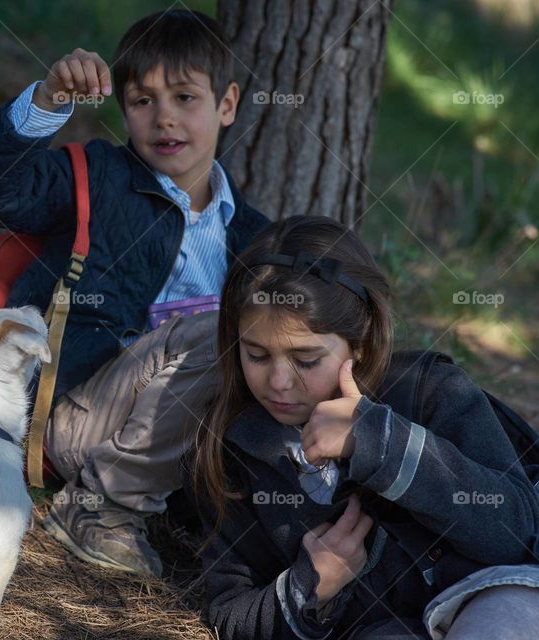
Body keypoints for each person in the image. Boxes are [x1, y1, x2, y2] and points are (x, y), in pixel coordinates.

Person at [0, 9, 269, 577]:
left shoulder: (252, 237)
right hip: (80, 411)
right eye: (143, 100)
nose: (164, 118)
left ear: (227, 103)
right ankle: (99, 510)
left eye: (184, 98)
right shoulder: (99, 178)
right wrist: (49, 100)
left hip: (198, 442)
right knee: (222, 334)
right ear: (122, 107)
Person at [188, 215, 539, 639]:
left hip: (489, 593)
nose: (279, 382)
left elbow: (514, 532)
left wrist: (382, 443)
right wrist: (309, 587)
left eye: (306, 360)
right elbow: (230, 613)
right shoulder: (233, 451)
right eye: (257, 356)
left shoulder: (429, 392)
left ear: (361, 342)